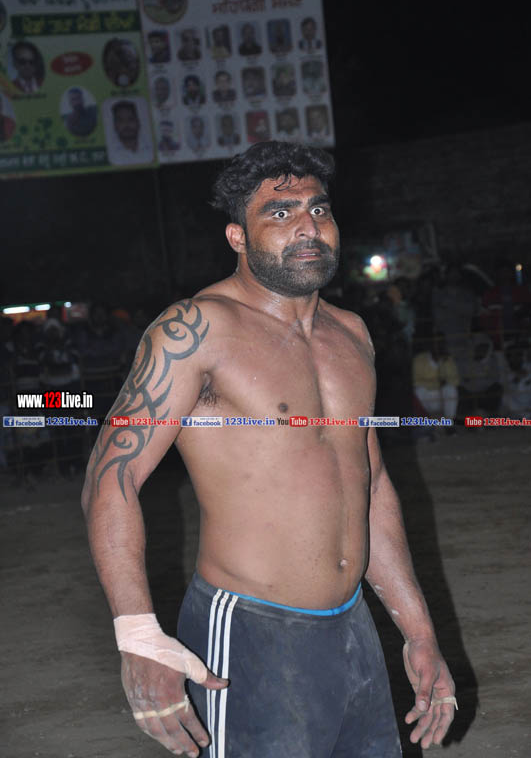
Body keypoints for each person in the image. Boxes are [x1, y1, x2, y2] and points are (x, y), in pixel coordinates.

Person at [82, 142, 456, 758]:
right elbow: (111, 478)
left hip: (353, 629)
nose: (308, 226)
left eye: (318, 209)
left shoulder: (352, 334)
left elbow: (371, 486)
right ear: (237, 236)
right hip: (249, 632)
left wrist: (417, 630)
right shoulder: (196, 329)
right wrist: (138, 633)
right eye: (280, 213)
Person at [107, 100, 154, 166]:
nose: (126, 124)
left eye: (131, 119)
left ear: (138, 122)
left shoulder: (152, 148)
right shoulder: (109, 153)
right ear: (115, 126)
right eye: (120, 121)